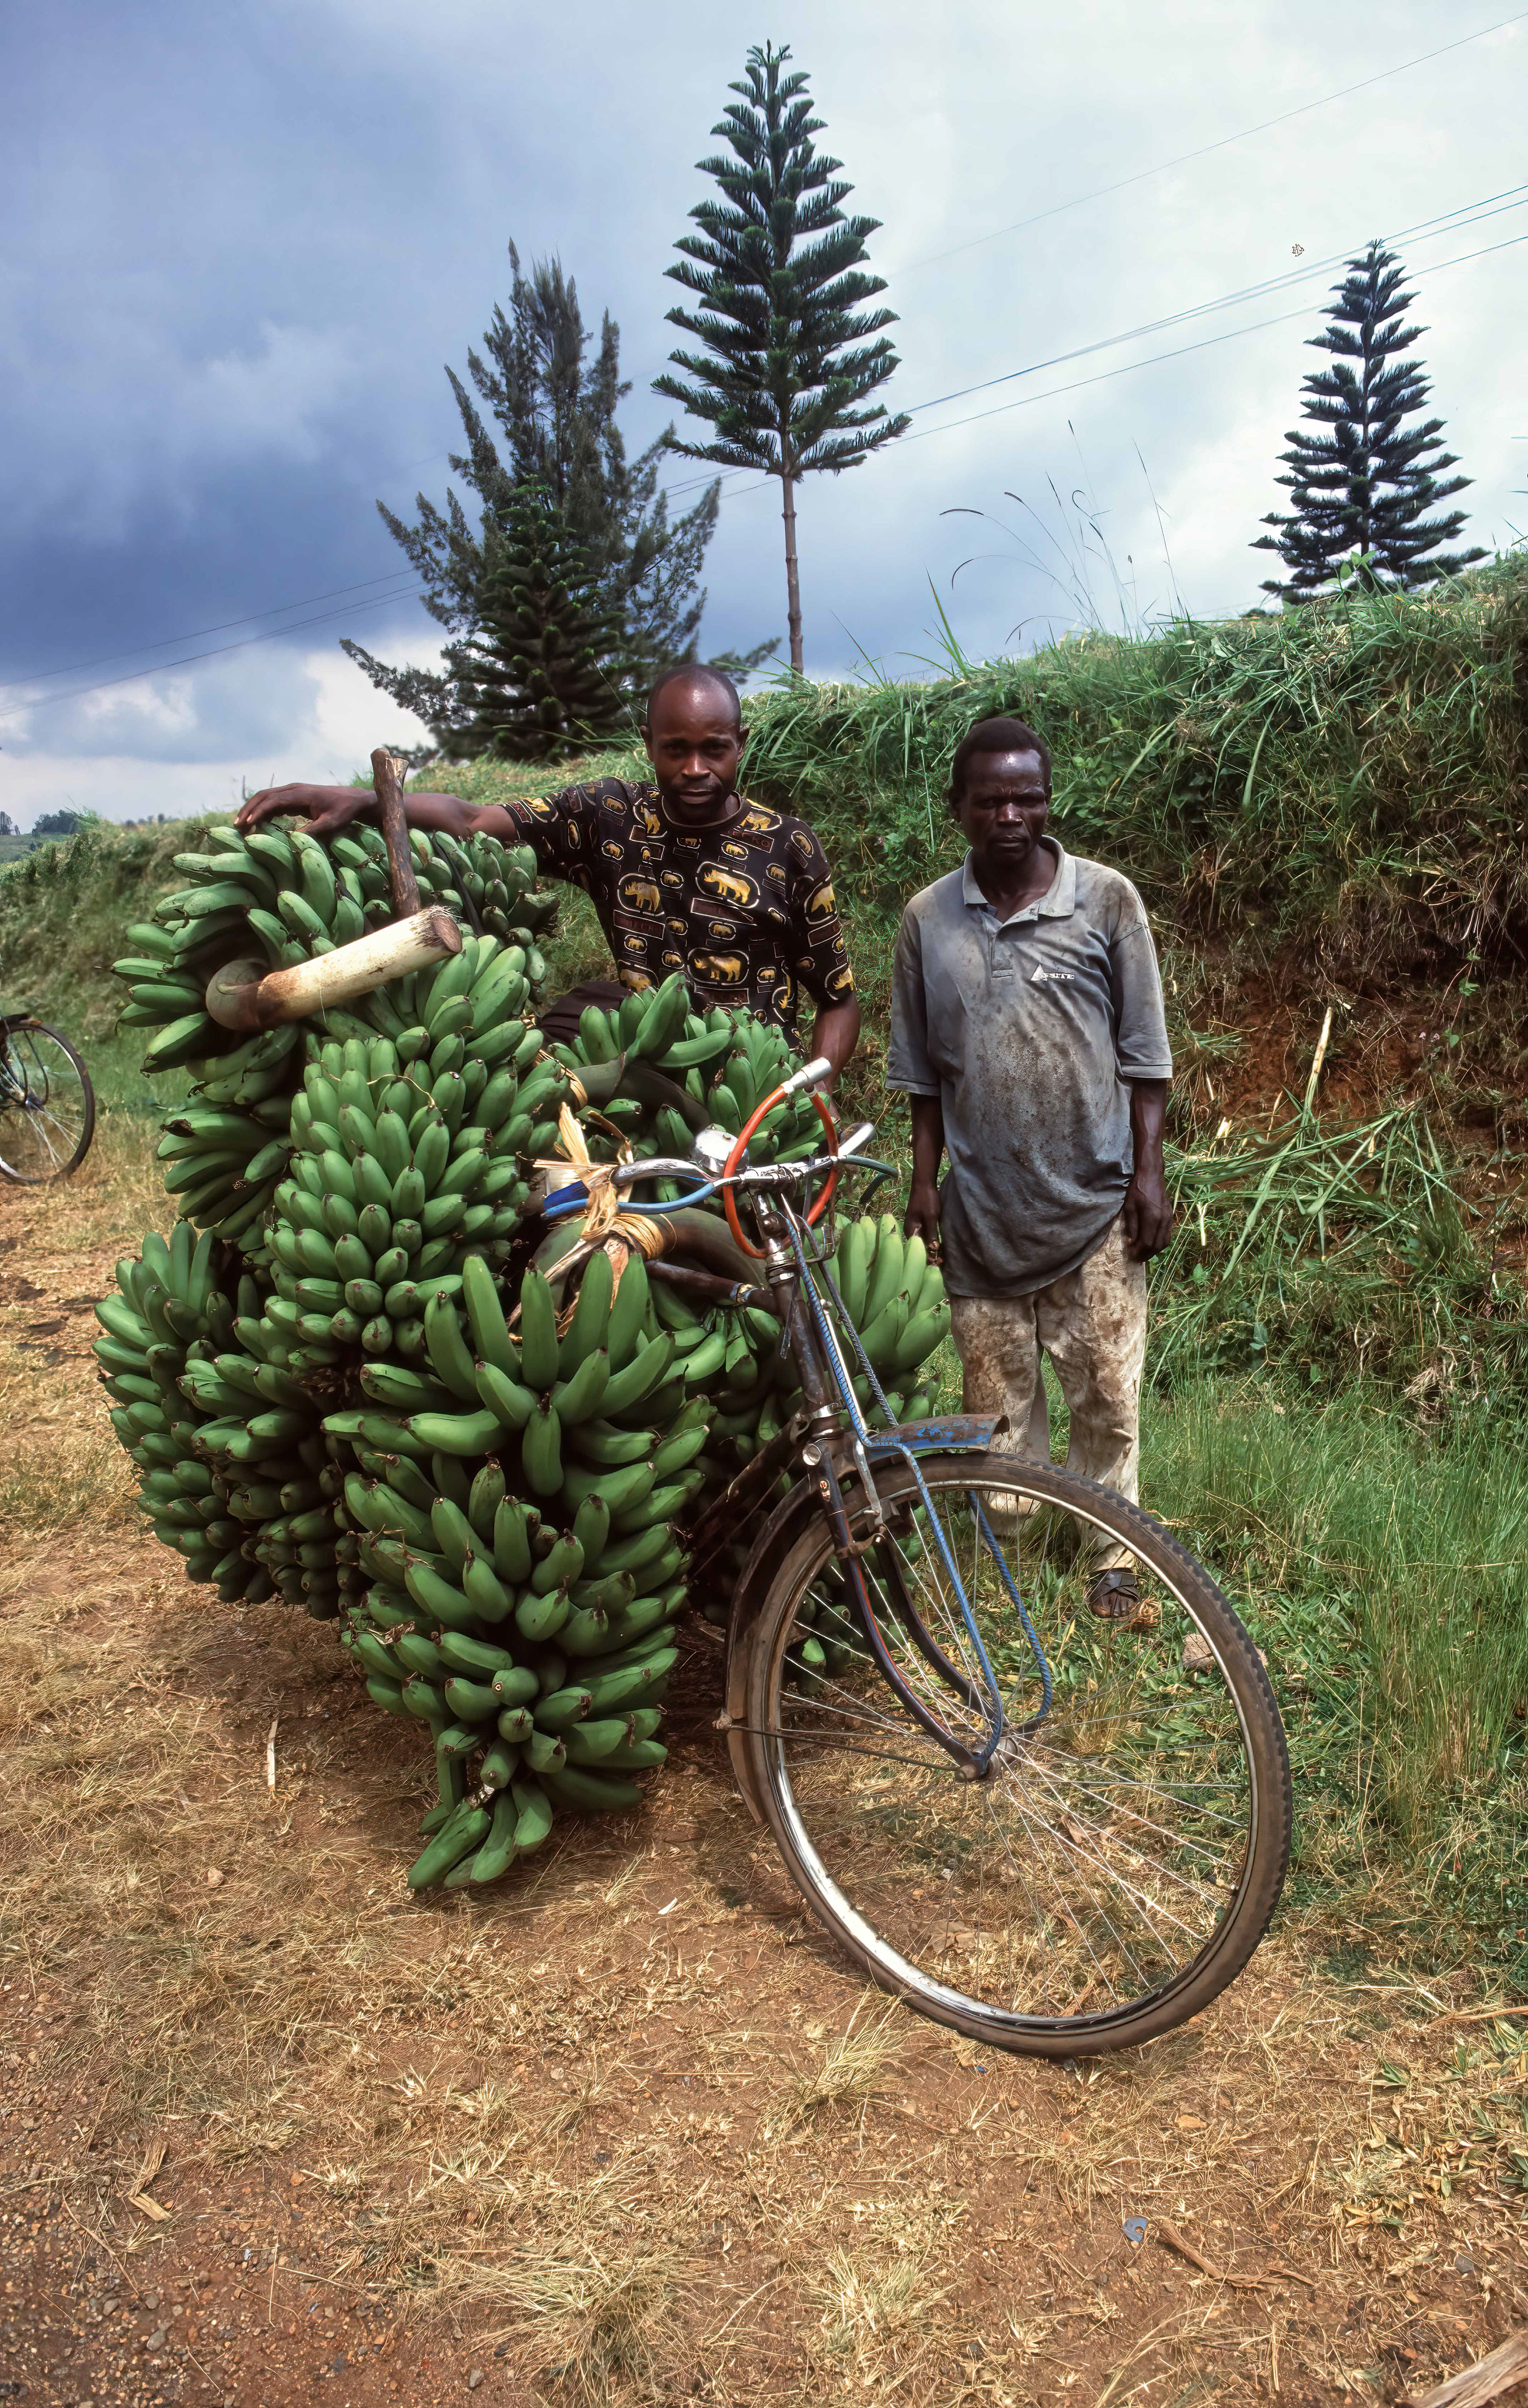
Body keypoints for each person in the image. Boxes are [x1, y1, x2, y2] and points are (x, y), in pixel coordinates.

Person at [235, 663, 861, 1080]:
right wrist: (369, 801)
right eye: (677, 749)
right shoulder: (608, 817)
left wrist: (817, 1092)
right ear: (648, 743)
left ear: (740, 743)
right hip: (639, 1069)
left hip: (755, 1085)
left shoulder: (787, 846)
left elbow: (837, 999)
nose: (696, 768)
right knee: (570, 1016)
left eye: (714, 749)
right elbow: (475, 820)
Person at [887, 714, 1173, 1619]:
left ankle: (1113, 1557)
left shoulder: (1107, 903)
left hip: (1094, 1202)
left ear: (1048, 801)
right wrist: (925, 1181)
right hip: (980, 1209)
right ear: (959, 810)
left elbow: (1146, 1056)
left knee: (1106, 1392)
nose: (1010, 813)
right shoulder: (927, 920)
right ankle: (1005, 1552)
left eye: (1027, 796)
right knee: (997, 1400)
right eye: (990, 799)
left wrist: (1149, 1172)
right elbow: (921, 1077)